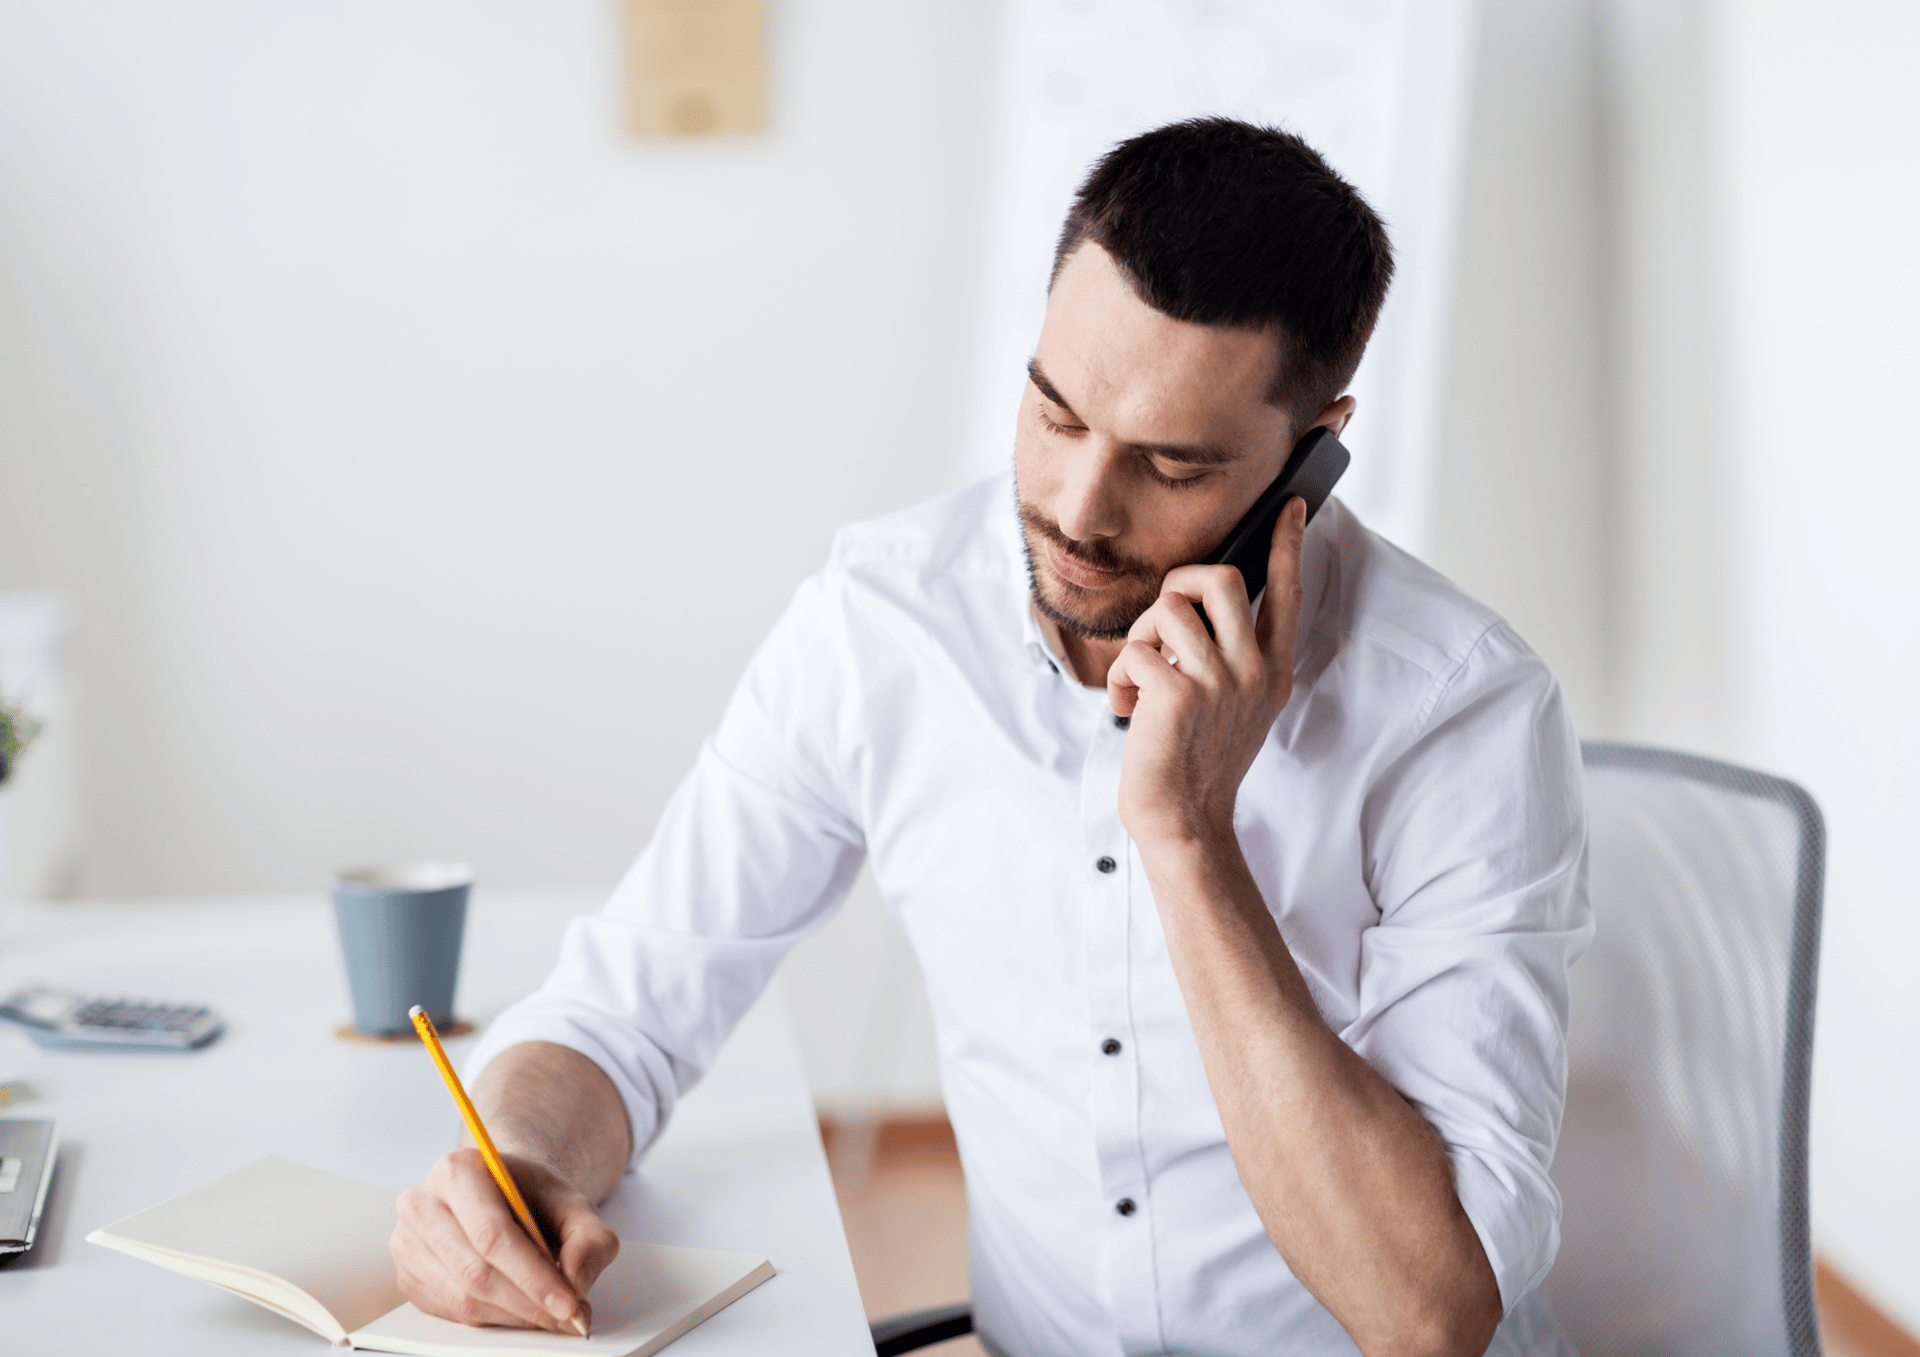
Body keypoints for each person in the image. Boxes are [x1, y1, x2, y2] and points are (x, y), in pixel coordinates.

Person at [390, 118, 1590, 1357]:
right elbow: (624, 1010)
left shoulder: (1461, 711)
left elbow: (1428, 1314)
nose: (1077, 511)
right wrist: (517, 1167)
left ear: (1313, 453)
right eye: (1056, 414)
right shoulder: (884, 623)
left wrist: (1187, 837)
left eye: (1170, 465)